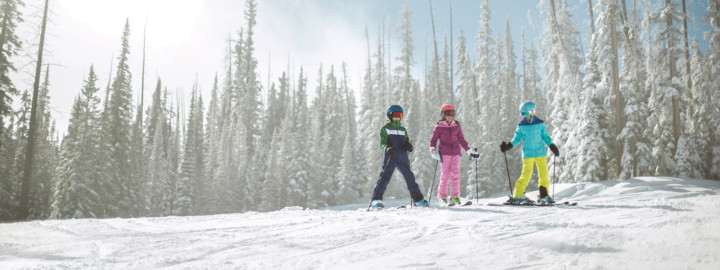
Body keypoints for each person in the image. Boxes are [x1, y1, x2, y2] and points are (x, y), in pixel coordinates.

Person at [500, 101, 560, 204]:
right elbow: (517, 138)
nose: (524, 116)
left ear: (533, 111)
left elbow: (545, 136)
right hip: (528, 154)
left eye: (526, 113)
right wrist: (509, 146)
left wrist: (552, 145)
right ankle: (518, 194)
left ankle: (543, 194)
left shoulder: (540, 123)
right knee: (526, 174)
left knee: (544, 174)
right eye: (522, 114)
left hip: (540, 152)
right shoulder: (521, 125)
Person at [370, 105, 428, 208]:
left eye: (400, 115)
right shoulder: (385, 129)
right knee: (384, 177)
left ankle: (418, 199)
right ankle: (376, 200)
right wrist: (387, 148)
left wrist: (408, 146)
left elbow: (406, 142)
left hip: (403, 157)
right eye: (396, 115)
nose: (398, 117)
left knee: (410, 178)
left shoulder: (403, 130)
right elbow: (382, 143)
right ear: (390, 115)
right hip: (391, 156)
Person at [429, 104, 479, 206]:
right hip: (444, 154)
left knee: (456, 175)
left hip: (456, 154)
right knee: (445, 176)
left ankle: (454, 197)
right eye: (448, 113)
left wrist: (469, 150)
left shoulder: (456, 126)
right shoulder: (439, 126)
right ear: (443, 114)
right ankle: (442, 198)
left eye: (452, 113)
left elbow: (462, 140)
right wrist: (433, 151)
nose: (450, 115)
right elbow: (433, 140)